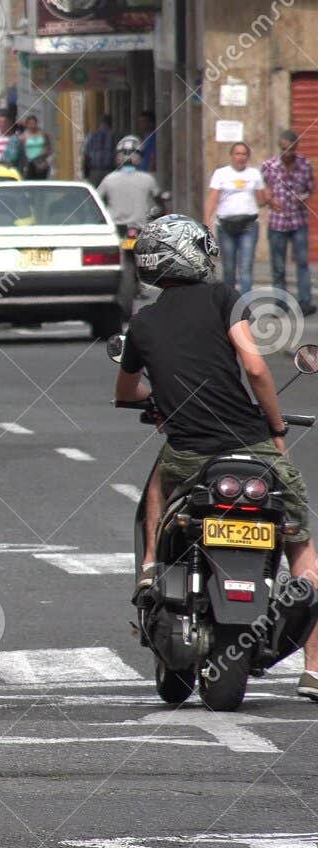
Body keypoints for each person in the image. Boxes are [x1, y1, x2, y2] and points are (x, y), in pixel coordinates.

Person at [115, 213, 318, 703]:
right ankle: (314, 665)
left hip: (189, 455)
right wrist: (274, 428)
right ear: (194, 255)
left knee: (160, 486)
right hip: (250, 449)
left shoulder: (142, 323)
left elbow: (126, 391)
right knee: (300, 542)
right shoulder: (224, 298)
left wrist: (158, 400)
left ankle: (148, 567)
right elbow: (254, 366)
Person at [261, 129, 317, 317]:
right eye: (284, 149)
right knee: (278, 266)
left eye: (291, 149)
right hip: (277, 223)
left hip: (298, 221)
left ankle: (305, 302)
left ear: (296, 148)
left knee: (302, 263)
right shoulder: (269, 165)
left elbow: (310, 188)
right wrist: (269, 200)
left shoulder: (304, 164)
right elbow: (262, 190)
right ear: (280, 148)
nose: (288, 153)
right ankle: (281, 303)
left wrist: (303, 197)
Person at [204, 141, 269, 299]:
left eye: (244, 154)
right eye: (237, 153)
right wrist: (207, 222)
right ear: (231, 156)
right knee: (228, 268)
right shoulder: (221, 173)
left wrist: (267, 195)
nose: (241, 157)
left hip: (249, 225)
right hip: (226, 226)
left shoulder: (254, 174)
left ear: (248, 156)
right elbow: (212, 199)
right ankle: (229, 306)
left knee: (246, 268)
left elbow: (261, 201)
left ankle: (243, 308)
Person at [97, 135, 161, 227]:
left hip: (116, 228)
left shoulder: (109, 179)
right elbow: (158, 199)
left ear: (118, 157)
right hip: (141, 229)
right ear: (140, 158)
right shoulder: (148, 179)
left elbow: (96, 199)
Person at [82, 114, 115, 187]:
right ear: (111, 124)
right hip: (108, 171)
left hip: (95, 170)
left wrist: (86, 171)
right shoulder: (114, 136)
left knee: (95, 192)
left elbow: (86, 155)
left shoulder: (92, 136)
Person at [19, 115, 53, 179]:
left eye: (34, 123)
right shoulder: (23, 136)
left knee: (41, 181)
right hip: (29, 163)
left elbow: (49, 147)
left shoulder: (43, 134)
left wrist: (46, 154)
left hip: (41, 163)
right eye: (30, 124)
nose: (32, 126)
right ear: (27, 125)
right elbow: (22, 150)